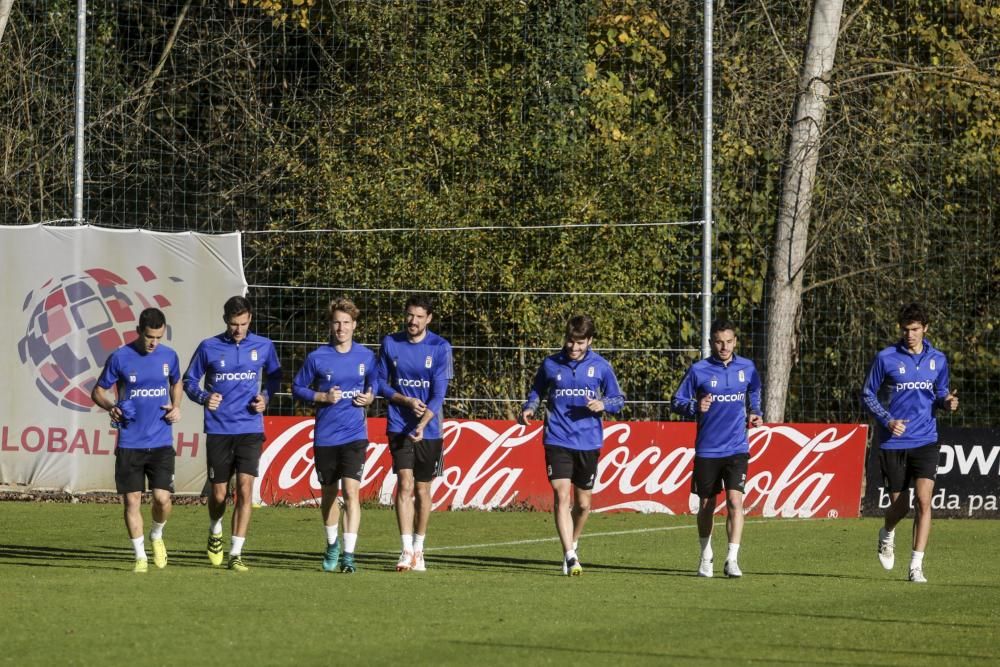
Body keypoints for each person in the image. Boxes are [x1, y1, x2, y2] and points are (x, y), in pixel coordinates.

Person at [518, 314, 625, 577]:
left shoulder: (601, 366)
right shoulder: (551, 364)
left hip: (588, 441)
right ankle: (569, 555)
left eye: (580, 343)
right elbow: (536, 390)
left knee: (584, 504)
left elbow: (618, 398)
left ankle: (573, 543)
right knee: (561, 496)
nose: (574, 348)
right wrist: (529, 407)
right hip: (557, 438)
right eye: (570, 342)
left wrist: (604, 404)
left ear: (589, 341)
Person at [862, 302, 958, 583]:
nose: (910, 334)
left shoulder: (938, 359)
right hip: (894, 442)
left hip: (926, 438)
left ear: (925, 329)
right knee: (901, 508)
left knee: (924, 501)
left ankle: (916, 566)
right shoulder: (886, 358)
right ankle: (887, 532)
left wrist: (947, 402)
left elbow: (940, 392)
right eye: (906, 329)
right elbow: (868, 394)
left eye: (915, 329)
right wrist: (887, 419)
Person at [183, 295, 281, 572]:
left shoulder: (263, 345)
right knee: (218, 494)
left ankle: (236, 552)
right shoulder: (209, 347)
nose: (239, 329)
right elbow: (189, 380)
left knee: (246, 489)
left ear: (250, 318)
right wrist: (203, 397)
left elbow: (274, 376)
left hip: (250, 428)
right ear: (225, 320)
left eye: (243, 323)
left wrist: (265, 397)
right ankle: (215, 530)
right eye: (233, 324)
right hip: (218, 429)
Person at [91, 307, 183, 573]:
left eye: (158, 336)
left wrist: (176, 406)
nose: (154, 342)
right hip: (130, 442)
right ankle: (140, 556)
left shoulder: (169, 356)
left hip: (161, 441)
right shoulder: (120, 357)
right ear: (138, 331)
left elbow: (176, 382)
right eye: (149, 337)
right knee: (132, 501)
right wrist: (111, 407)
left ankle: (156, 535)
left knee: (162, 499)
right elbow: (97, 391)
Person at [671, 319, 762, 579]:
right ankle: (705, 555)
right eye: (719, 342)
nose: (724, 346)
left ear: (735, 341)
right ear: (712, 342)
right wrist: (694, 408)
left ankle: (732, 559)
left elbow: (754, 389)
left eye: (729, 341)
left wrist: (755, 412)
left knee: (735, 501)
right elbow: (676, 401)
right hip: (708, 450)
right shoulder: (698, 370)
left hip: (737, 447)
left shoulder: (747, 367)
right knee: (707, 505)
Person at [291, 298, 376, 574]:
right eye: (337, 322)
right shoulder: (317, 357)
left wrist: (370, 396)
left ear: (355, 325)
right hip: (326, 436)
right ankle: (331, 545)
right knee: (329, 493)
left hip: (355, 435)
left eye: (346, 323)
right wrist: (321, 396)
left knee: (352, 492)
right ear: (331, 325)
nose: (341, 328)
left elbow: (374, 382)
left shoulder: (366, 356)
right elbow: (297, 387)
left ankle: (349, 556)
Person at [376, 295, 453, 572]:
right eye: (410, 315)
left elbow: (439, 394)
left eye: (419, 316)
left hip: (429, 429)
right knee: (404, 484)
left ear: (428, 319)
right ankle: (406, 550)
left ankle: (419, 549)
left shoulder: (441, 347)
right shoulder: (390, 342)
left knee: (422, 489)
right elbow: (379, 384)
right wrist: (405, 401)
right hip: (398, 424)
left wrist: (422, 424)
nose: (413, 321)